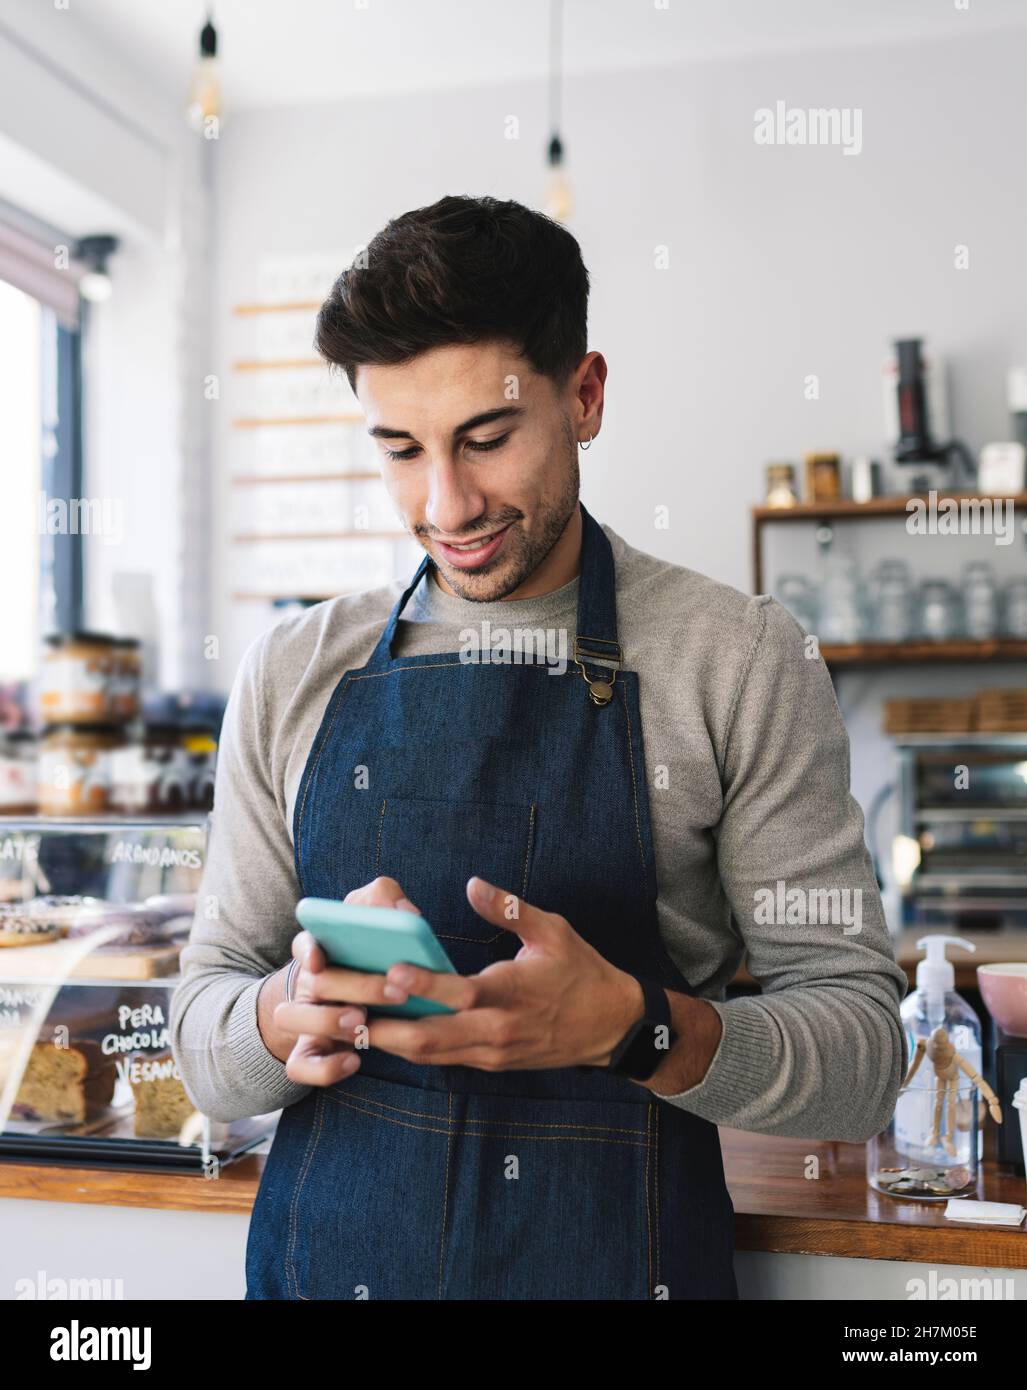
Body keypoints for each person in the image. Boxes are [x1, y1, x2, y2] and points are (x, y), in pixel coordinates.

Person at [170, 194, 907, 1301]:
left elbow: (860, 1057)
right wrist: (281, 1015)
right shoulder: (293, 669)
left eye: (486, 438)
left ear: (586, 395)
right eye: (399, 449)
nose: (445, 502)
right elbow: (200, 1024)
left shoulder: (739, 658)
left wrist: (638, 1027)